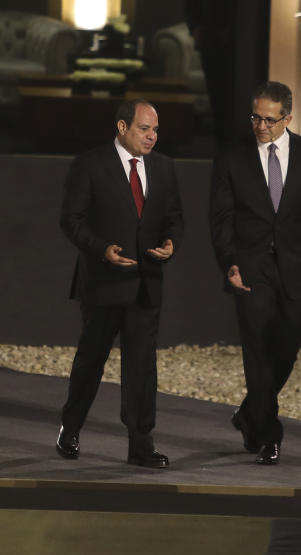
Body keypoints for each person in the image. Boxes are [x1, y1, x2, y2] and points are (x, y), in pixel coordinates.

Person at [209, 81, 301, 465]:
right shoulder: (232, 157)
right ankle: (269, 434)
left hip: (296, 271)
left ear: (287, 118)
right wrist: (229, 262)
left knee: (287, 349)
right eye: (255, 118)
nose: (260, 126)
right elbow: (221, 218)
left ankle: (249, 414)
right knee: (258, 352)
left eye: (268, 119)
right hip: (251, 270)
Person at [57, 98, 184, 468]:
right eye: (144, 129)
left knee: (142, 367)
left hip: (146, 282)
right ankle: (71, 427)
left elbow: (174, 217)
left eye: (156, 130)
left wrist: (171, 243)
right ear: (122, 128)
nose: (152, 136)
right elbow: (72, 219)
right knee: (91, 360)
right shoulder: (90, 165)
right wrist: (102, 250)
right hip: (103, 282)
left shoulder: (163, 168)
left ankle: (140, 445)